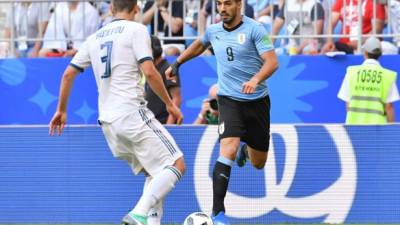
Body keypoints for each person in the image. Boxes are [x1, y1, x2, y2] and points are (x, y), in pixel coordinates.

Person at [49, 1, 185, 225]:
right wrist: (170, 105)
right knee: (176, 164)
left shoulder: (94, 38)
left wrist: (61, 110)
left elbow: (67, 75)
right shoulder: (137, 30)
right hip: (132, 112)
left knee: (155, 171)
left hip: (108, 123)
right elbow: (150, 72)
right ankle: (138, 214)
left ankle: (151, 222)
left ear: (111, 10)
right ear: (137, 9)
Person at [166, 0, 278, 224]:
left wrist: (256, 79)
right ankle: (218, 214)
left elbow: (272, 62)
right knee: (227, 148)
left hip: (257, 101)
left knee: (259, 162)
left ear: (238, 4)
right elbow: (199, 44)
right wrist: (177, 63)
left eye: (227, 3)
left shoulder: (255, 29)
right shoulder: (213, 30)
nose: (222, 8)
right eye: (219, 4)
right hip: (229, 99)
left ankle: (245, 152)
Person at [338, 37, 399, 124]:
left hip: (354, 128)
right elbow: (389, 107)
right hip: (378, 129)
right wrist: (390, 130)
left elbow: (348, 105)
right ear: (380, 54)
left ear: (365, 53)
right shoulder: (388, 76)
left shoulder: (352, 72)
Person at [321, 0, 386, 54]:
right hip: (344, 46)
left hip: (366, 46)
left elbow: (377, 31)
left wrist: (359, 42)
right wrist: (329, 41)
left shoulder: (375, 2)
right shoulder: (341, 1)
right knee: (325, 51)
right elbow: (330, 25)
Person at [145, 35, 182, 124]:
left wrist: (169, 126)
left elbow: (176, 98)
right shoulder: (152, 69)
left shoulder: (168, 69)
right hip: (152, 122)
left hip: (163, 122)